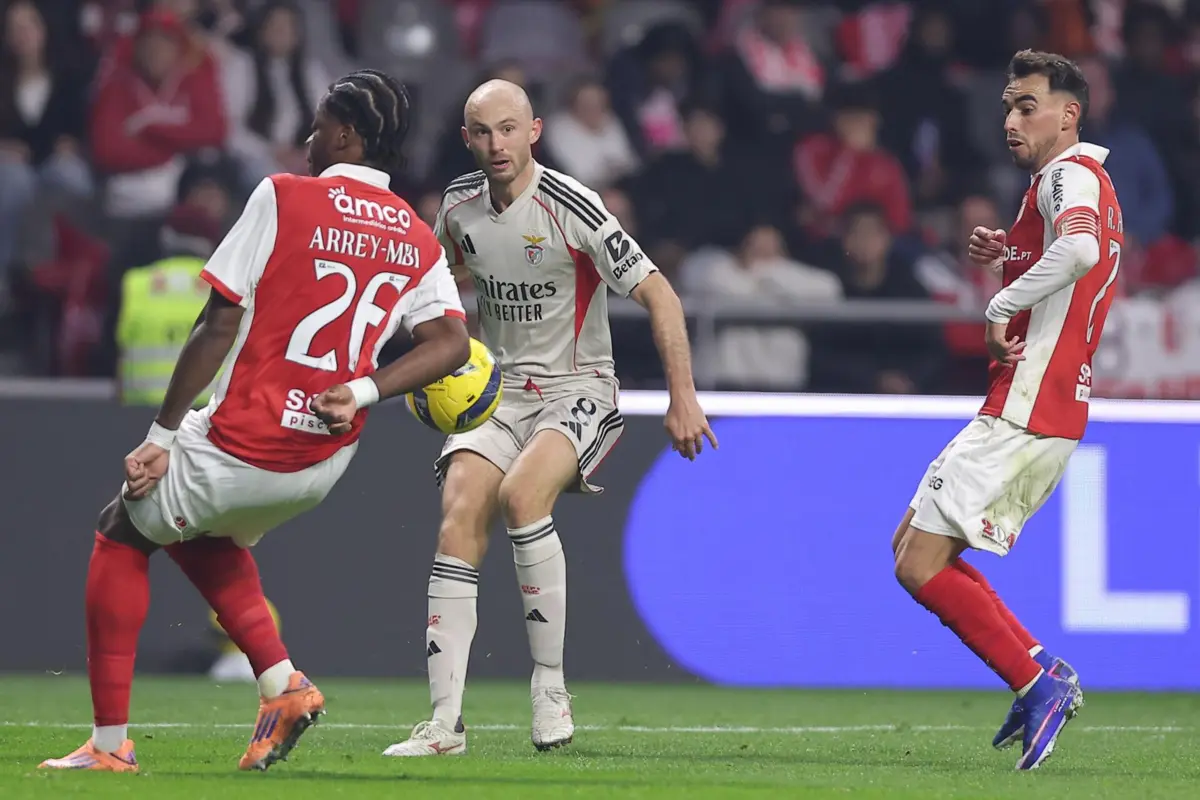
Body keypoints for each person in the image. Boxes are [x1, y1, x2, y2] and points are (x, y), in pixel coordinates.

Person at [39, 68, 471, 774]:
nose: (309, 137)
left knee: (121, 529)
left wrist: (161, 436)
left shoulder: (284, 196)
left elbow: (217, 325)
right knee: (190, 530)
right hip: (324, 458)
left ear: (348, 135)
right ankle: (282, 685)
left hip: (251, 439)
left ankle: (109, 746)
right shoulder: (418, 237)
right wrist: (364, 391)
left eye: (321, 123)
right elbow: (451, 342)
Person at [383, 79, 715, 757]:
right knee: (457, 513)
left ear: (534, 131)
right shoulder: (457, 207)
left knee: (521, 496)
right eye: (482, 132)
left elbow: (661, 296)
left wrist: (684, 396)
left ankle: (550, 688)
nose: (496, 144)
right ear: (466, 138)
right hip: (497, 392)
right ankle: (444, 724)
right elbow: (429, 292)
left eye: (509, 129)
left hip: (577, 387)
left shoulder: (572, 206)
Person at [894, 50, 1123, 771]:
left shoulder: (1068, 174)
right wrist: (1014, 258)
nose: (1011, 119)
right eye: (1006, 105)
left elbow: (1081, 250)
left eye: (1027, 105)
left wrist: (1001, 298)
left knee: (918, 563)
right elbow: (1071, 259)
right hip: (1040, 407)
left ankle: (1038, 678)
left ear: (1068, 115)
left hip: (1028, 405)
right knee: (912, 544)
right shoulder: (1074, 184)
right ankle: (1036, 671)